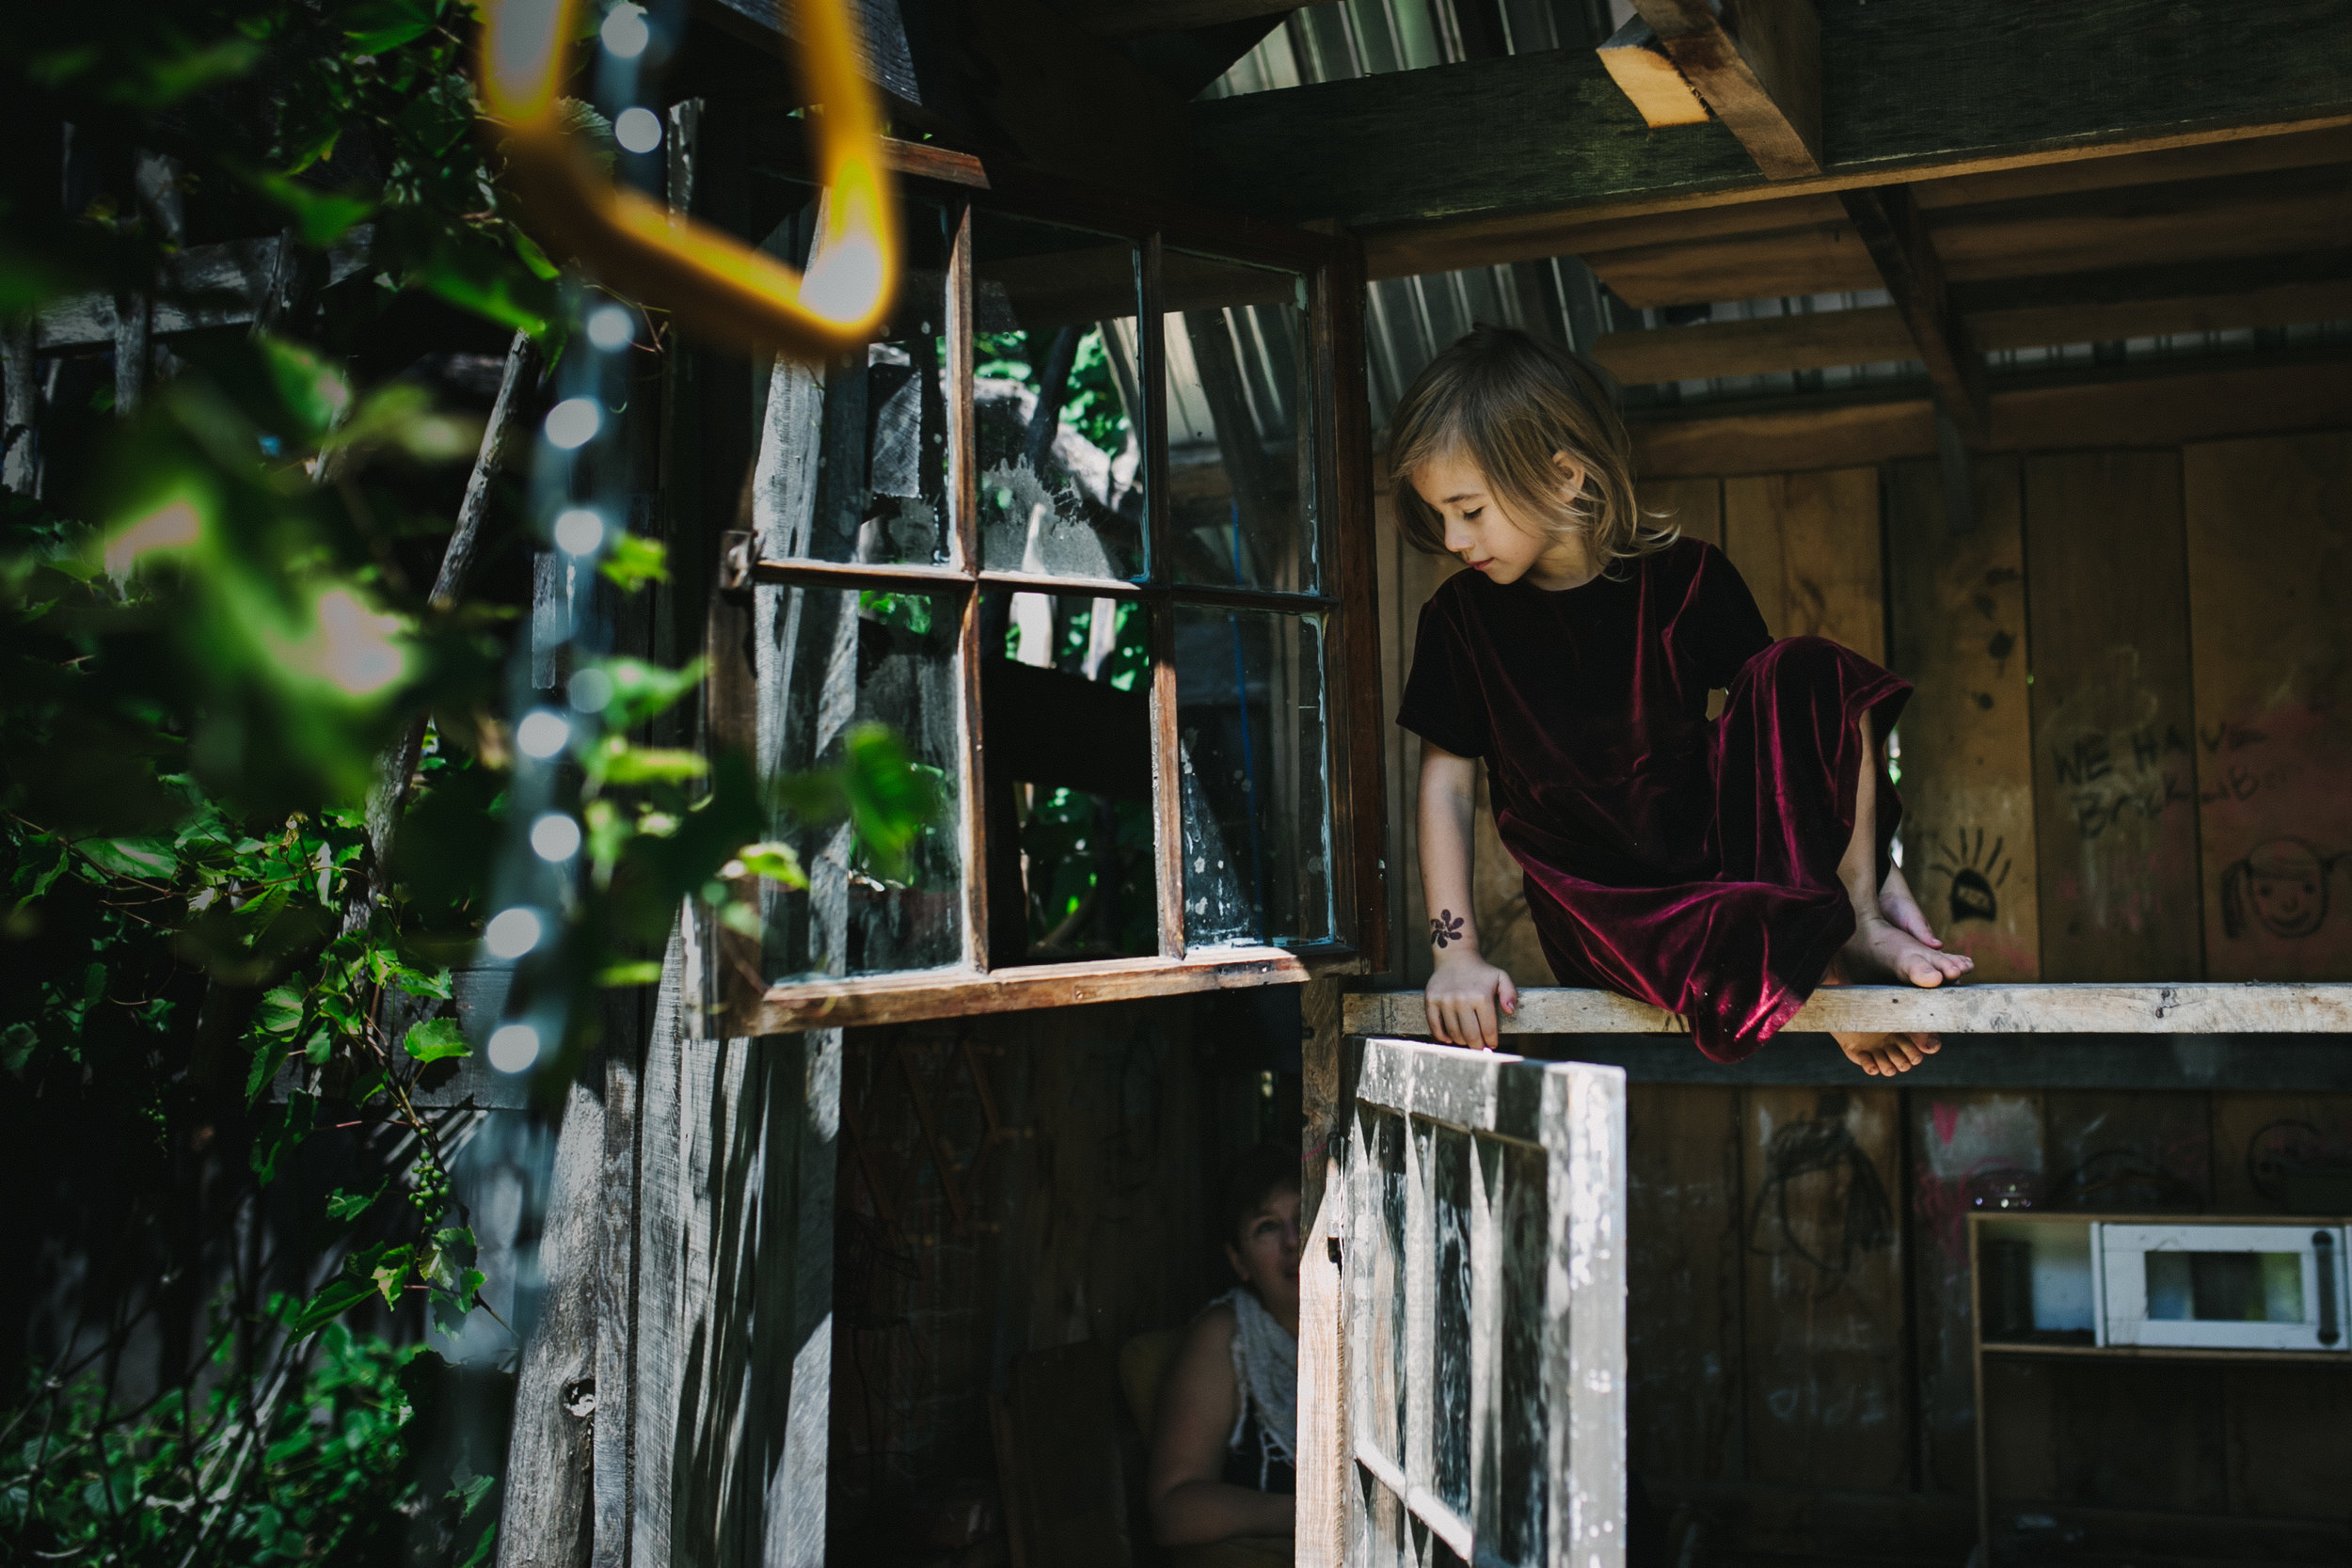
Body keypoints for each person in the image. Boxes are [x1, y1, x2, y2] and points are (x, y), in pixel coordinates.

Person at [1397, 326, 1971, 1075]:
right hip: (1604, 905)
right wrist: (1457, 955)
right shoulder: (1459, 622)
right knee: (1734, 922)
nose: (1452, 537)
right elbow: (1447, 788)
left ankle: (1852, 920)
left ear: (1565, 475)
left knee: (1809, 669)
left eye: (1469, 510)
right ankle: (1825, 978)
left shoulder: (1688, 578)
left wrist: (1879, 881)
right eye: (1439, 514)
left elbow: (1802, 738)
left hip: (1719, 857)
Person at [1146, 1144, 1300, 1560]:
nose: (1293, 1241)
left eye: (1306, 1217)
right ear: (1239, 1261)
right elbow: (1172, 1510)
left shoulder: (1378, 1329)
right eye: (1267, 1227)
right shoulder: (1225, 1336)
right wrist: (1302, 1515)